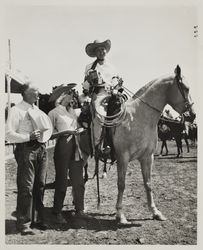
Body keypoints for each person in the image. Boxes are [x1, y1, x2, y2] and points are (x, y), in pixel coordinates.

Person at [5, 82, 52, 235]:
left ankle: (37, 219)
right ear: (25, 92)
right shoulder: (16, 110)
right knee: (27, 187)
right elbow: (8, 134)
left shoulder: (36, 110)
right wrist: (28, 136)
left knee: (39, 184)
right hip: (26, 150)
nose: (38, 94)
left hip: (41, 149)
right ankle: (23, 223)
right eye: (35, 91)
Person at [48, 88, 90, 224]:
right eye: (70, 95)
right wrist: (64, 132)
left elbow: (84, 114)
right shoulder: (53, 113)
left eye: (73, 95)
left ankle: (80, 210)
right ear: (62, 96)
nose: (72, 98)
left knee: (78, 180)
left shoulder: (73, 112)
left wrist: (80, 129)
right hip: (62, 148)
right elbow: (48, 135)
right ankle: (57, 212)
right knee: (61, 181)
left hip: (76, 147)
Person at [83, 39, 123, 157]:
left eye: (103, 49)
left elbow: (115, 81)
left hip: (113, 93)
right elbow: (85, 85)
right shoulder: (90, 67)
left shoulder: (112, 67)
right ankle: (98, 146)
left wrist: (117, 86)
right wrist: (89, 81)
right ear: (95, 53)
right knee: (99, 116)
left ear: (106, 51)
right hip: (99, 94)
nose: (101, 51)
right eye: (98, 50)